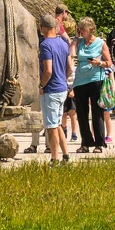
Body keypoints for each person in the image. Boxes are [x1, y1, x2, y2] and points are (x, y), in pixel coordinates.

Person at [70, 17, 113, 153]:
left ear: (90, 29)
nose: (81, 31)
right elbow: (71, 53)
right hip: (80, 81)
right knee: (82, 114)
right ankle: (85, 143)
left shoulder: (100, 43)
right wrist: (76, 38)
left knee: (97, 112)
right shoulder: (79, 42)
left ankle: (99, 143)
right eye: (80, 29)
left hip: (96, 79)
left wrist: (99, 63)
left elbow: (109, 63)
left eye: (83, 29)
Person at [37, 14, 72, 163]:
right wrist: (62, 79)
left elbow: (48, 70)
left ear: (42, 28)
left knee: (51, 127)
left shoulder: (45, 45)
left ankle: (54, 159)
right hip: (62, 88)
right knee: (57, 124)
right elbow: (70, 67)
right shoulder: (64, 43)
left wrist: (41, 85)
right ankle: (65, 155)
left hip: (50, 90)